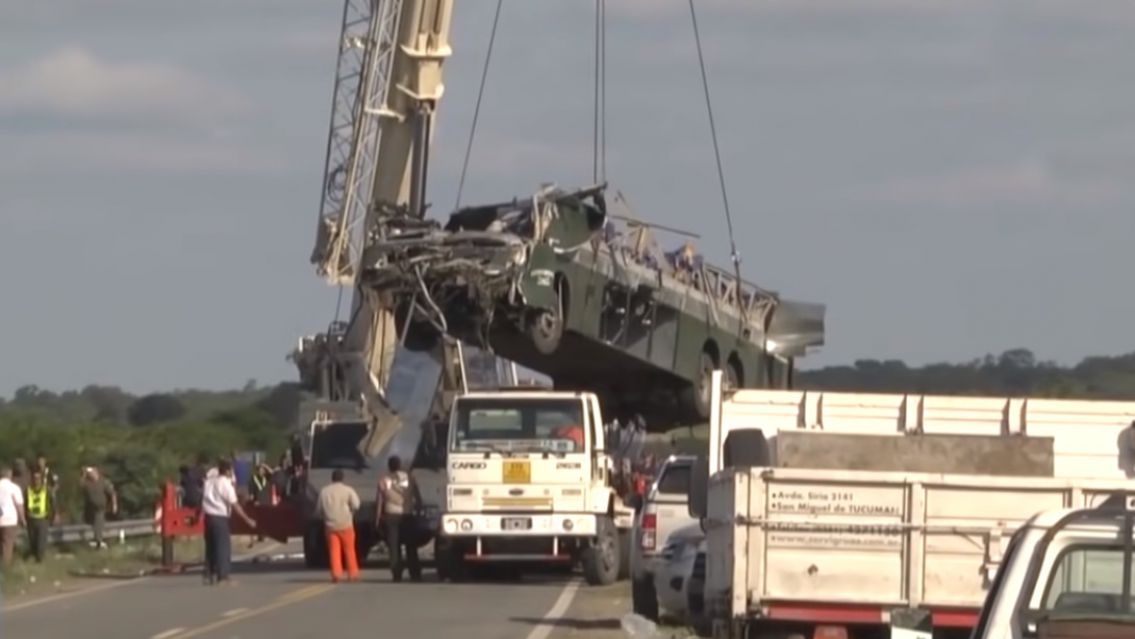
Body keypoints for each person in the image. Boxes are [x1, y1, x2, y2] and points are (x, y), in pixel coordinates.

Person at [200, 459, 256, 586]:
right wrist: (247, 519)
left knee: (210, 548)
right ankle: (223, 577)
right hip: (220, 517)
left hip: (208, 517)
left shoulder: (209, 482)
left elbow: (202, 499)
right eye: (231, 470)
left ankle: (209, 575)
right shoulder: (225, 483)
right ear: (227, 471)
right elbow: (234, 504)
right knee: (222, 548)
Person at [376, 455, 421, 582]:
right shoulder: (409, 478)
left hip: (391, 515)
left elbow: (380, 501)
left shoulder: (384, 480)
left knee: (393, 546)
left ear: (389, 466)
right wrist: (418, 509)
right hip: (407, 514)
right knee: (411, 545)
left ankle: (396, 573)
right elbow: (417, 496)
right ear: (400, 465)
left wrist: (377, 518)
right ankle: (415, 573)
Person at [316, 469, 361, 582]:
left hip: (330, 525)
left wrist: (324, 516)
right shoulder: (348, 490)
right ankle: (353, 574)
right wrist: (351, 512)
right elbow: (356, 505)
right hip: (346, 524)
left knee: (334, 551)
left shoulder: (324, 491)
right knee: (349, 550)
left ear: (332, 478)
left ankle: (336, 574)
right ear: (342, 478)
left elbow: (318, 509)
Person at [81, 466, 117, 549]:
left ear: (96, 472)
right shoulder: (87, 483)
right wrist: (83, 474)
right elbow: (81, 485)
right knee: (92, 523)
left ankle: (99, 541)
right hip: (90, 507)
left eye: (92, 473)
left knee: (98, 522)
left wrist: (114, 505)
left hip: (100, 507)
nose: (91, 475)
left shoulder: (103, 482)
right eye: (89, 474)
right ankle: (96, 540)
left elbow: (112, 493)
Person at [25, 469, 53, 563]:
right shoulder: (28, 490)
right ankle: (33, 554)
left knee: (41, 539)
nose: (36, 480)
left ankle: (39, 558)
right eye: (34, 478)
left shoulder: (46, 490)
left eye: (38, 478)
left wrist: (52, 514)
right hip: (31, 518)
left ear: (41, 480)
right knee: (32, 539)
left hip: (43, 518)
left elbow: (52, 502)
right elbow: (25, 502)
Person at [0, 466, 25, 567]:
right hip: (9, 520)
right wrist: (22, 519)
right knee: (7, 545)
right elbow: (19, 505)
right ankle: (5, 567)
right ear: (9, 475)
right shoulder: (14, 488)